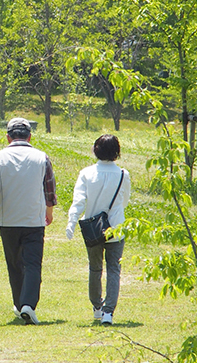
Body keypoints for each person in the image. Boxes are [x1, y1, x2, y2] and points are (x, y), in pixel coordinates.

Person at [0, 117, 57, 325]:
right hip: (34, 219)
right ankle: (27, 305)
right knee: (32, 264)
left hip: (8, 220)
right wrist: (49, 212)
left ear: (8, 137)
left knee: (14, 264)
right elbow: (49, 188)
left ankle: (20, 303)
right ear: (30, 136)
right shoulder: (42, 157)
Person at [65, 134, 131, 325]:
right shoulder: (122, 174)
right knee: (113, 269)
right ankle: (109, 312)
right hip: (116, 227)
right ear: (117, 152)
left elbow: (78, 201)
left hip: (93, 229)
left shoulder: (86, 173)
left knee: (95, 268)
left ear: (96, 150)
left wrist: (71, 221)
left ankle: (97, 307)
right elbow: (124, 201)